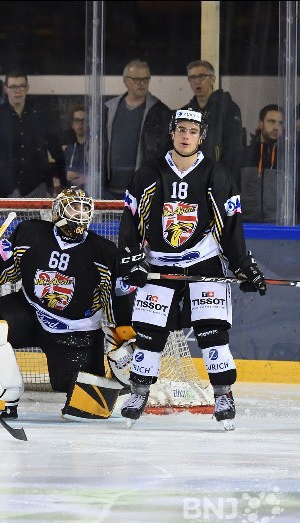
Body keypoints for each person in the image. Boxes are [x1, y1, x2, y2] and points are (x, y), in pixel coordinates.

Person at [117, 108, 267, 430]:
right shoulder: (148, 173)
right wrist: (131, 259)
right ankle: (139, 391)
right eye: (181, 129)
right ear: (172, 132)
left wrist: (243, 264)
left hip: (203, 261)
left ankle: (223, 394)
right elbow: (131, 222)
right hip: (158, 261)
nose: (186, 136)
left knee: (212, 331)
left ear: (201, 136)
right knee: (149, 333)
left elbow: (231, 226)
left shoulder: (218, 174)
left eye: (193, 131)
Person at [0, 188, 134, 420]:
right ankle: (5, 394)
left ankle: (114, 385)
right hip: (30, 312)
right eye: (73, 207)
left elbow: (116, 303)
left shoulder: (105, 253)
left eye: (84, 208)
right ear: (57, 210)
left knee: (88, 407)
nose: (79, 214)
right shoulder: (30, 233)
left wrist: (124, 340)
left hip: (76, 333)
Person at [0, 72, 65, 198]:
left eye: (22, 86)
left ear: (27, 88)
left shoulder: (40, 116)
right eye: (13, 87)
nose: (17, 91)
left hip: (36, 187)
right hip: (2, 189)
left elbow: (57, 151)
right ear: (6, 89)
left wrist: (60, 183)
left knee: (35, 219)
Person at [103, 59, 172, 200]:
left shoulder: (161, 112)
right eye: (137, 79)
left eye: (146, 79)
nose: (142, 83)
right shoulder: (108, 109)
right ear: (125, 81)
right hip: (109, 188)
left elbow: (166, 151)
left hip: (143, 189)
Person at [183, 60, 243, 183]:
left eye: (202, 76)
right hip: (193, 179)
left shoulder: (228, 108)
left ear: (213, 79)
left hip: (220, 179)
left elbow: (233, 149)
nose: (197, 81)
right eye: (192, 78)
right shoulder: (186, 111)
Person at [240, 104, 284, 223]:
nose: (276, 127)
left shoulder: (287, 158)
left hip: (279, 226)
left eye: (280, 123)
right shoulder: (244, 155)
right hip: (246, 225)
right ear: (261, 124)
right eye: (271, 121)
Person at [62, 107, 88, 190]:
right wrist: (65, 174)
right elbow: (61, 173)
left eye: (84, 121)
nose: (80, 124)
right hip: (70, 195)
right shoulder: (68, 150)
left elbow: (102, 175)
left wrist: (87, 179)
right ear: (72, 125)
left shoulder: (95, 149)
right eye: (77, 121)